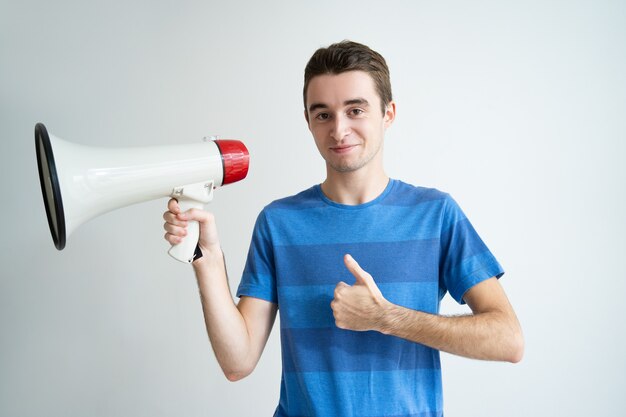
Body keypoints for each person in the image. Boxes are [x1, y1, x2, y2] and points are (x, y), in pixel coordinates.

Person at [163, 40, 524, 417]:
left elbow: (508, 339)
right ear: (307, 121)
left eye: (355, 110)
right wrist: (207, 260)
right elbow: (238, 362)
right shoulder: (279, 223)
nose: (339, 130)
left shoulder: (435, 214)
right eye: (323, 114)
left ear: (388, 114)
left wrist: (385, 317)